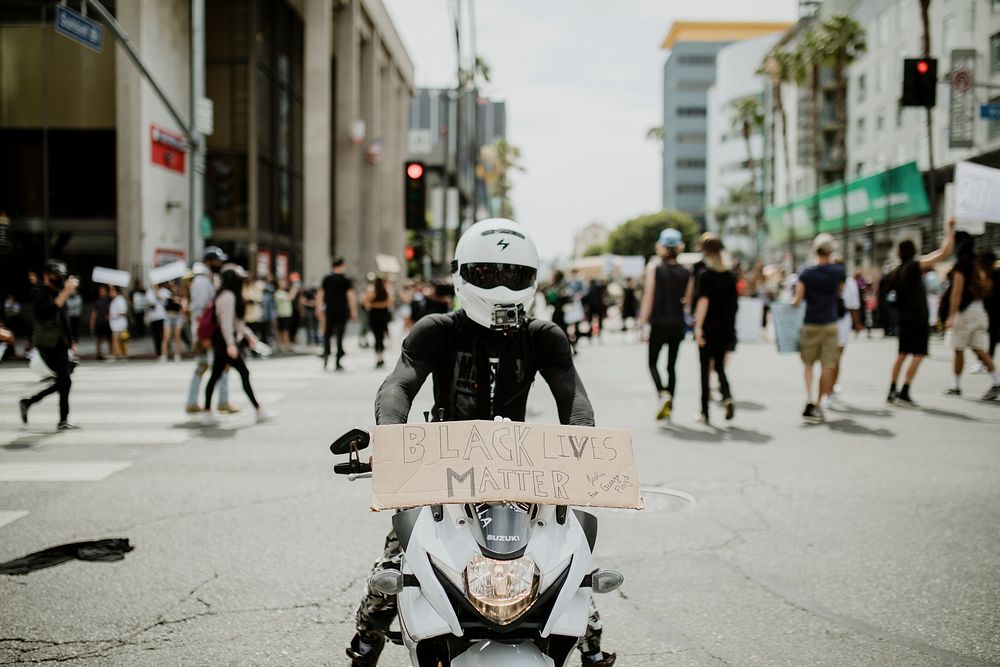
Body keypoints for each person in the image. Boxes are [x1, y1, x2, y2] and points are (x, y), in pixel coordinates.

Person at [347, 218, 615, 667]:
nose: (500, 284)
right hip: (442, 466)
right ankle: (366, 642)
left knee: (570, 570)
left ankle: (590, 647)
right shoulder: (435, 329)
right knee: (393, 569)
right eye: (487, 272)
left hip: (517, 465)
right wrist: (390, 435)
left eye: (512, 274)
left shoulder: (544, 336)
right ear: (462, 273)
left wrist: (582, 449)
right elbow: (399, 385)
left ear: (531, 278)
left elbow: (576, 402)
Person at [887, 218, 955, 407]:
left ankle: (892, 389)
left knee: (901, 354)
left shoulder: (898, 270)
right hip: (917, 318)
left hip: (904, 318)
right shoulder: (914, 266)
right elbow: (944, 253)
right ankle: (905, 390)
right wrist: (950, 230)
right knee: (918, 353)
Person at [203, 266, 272, 423]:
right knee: (243, 373)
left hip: (225, 341)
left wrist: (249, 336)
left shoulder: (228, 295)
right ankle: (258, 409)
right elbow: (226, 323)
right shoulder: (228, 296)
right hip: (225, 341)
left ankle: (207, 412)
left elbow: (236, 322)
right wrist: (230, 344)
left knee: (216, 375)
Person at [638, 228, 691, 421]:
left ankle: (662, 394)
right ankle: (670, 405)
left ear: (661, 246)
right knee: (671, 366)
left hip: (659, 322)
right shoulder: (686, 272)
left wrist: (642, 323)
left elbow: (649, 297)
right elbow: (687, 301)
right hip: (678, 323)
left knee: (652, 363)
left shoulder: (654, 267)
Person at [19, 260, 79, 430]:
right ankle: (62, 420)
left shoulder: (59, 292)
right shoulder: (39, 292)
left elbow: (64, 318)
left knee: (63, 381)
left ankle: (29, 402)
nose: (59, 279)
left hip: (61, 343)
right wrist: (65, 293)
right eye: (55, 275)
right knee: (64, 381)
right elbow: (47, 313)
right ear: (46, 275)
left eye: (61, 276)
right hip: (48, 344)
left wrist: (71, 341)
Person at [791, 234, 845, 422]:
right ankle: (819, 403)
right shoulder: (838, 271)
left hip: (811, 322)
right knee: (828, 365)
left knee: (808, 364)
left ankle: (809, 397)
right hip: (830, 322)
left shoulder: (806, 272)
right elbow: (840, 292)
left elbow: (797, 300)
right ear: (831, 251)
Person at [944, 238, 1000, 400]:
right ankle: (997, 380)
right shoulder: (978, 265)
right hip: (979, 309)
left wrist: (951, 315)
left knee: (958, 348)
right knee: (978, 349)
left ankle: (955, 385)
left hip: (965, 312)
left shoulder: (962, 266)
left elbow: (956, 292)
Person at [692, 235, 737, 425]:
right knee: (719, 366)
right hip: (726, 328)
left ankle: (705, 412)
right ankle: (726, 395)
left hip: (709, 327)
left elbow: (703, 301)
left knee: (704, 369)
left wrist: (698, 327)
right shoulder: (729, 276)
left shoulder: (706, 275)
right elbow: (735, 305)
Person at [186, 248, 235, 414]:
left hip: (204, 331)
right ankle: (221, 400)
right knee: (216, 365)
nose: (220, 264)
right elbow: (200, 311)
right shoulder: (202, 281)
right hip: (205, 332)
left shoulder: (205, 279)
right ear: (209, 261)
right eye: (217, 260)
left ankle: (194, 401)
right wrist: (203, 336)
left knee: (205, 365)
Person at [831, 263, 863, 404]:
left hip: (829, 322)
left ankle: (829, 388)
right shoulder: (850, 282)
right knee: (836, 359)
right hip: (841, 323)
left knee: (830, 359)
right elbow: (854, 306)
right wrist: (857, 324)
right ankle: (831, 387)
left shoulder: (828, 279)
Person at [318, 257, 358, 371]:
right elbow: (350, 296)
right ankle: (337, 360)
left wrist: (319, 308)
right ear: (341, 265)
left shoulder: (327, 278)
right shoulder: (346, 279)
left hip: (329, 309)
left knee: (327, 334)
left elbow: (321, 294)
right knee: (340, 335)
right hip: (342, 310)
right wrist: (353, 311)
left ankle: (326, 355)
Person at [362, 275, 393, 368]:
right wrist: (381, 305)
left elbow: (366, 304)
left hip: (374, 315)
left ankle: (377, 357)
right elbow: (390, 303)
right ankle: (381, 356)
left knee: (376, 337)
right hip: (383, 314)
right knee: (382, 337)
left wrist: (374, 305)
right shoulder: (386, 290)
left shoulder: (371, 290)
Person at [162, 282, 184, 361]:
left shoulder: (181, 298)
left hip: (177, 317)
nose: (174, 289)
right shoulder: (168, 297)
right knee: (166, 337)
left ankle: (177, 354)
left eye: (176, 288)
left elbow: (183, 309)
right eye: (173, 288)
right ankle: (164, 355)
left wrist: (179, 301)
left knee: (177, 337)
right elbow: (161, 300)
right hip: (169, 317)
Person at [145, 283, 167, 358]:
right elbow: (148, 303)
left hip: (162, 317)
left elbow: (166, 303)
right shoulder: (149, 291)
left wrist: (157, 294)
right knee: (156, 336)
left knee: (163, 335)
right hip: (153, 317)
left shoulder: (164, 291)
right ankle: (158, 353)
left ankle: (165, 352)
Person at [90, 285, 112, 360]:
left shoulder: (109, 299)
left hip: (107, 322)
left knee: (109, 339)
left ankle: (111, 352)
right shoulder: (97, 301)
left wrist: (110, 286)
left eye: (103, 291)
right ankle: (98, 354)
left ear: (106, 291)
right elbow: (94, 313)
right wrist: (92, 323)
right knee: (99, 339)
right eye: (100, 291)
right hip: (99, 322)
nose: (101, 292)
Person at [108, 285, 130, 361]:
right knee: (118, 341)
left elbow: (123, 312)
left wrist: (113, 316)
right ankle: (120, 355)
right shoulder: (114, 300)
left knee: (119, 340)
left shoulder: (120, 299)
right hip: (116, 325)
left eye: (112, 291)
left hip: (120, 325)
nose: (110, 292)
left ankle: (117, 355)